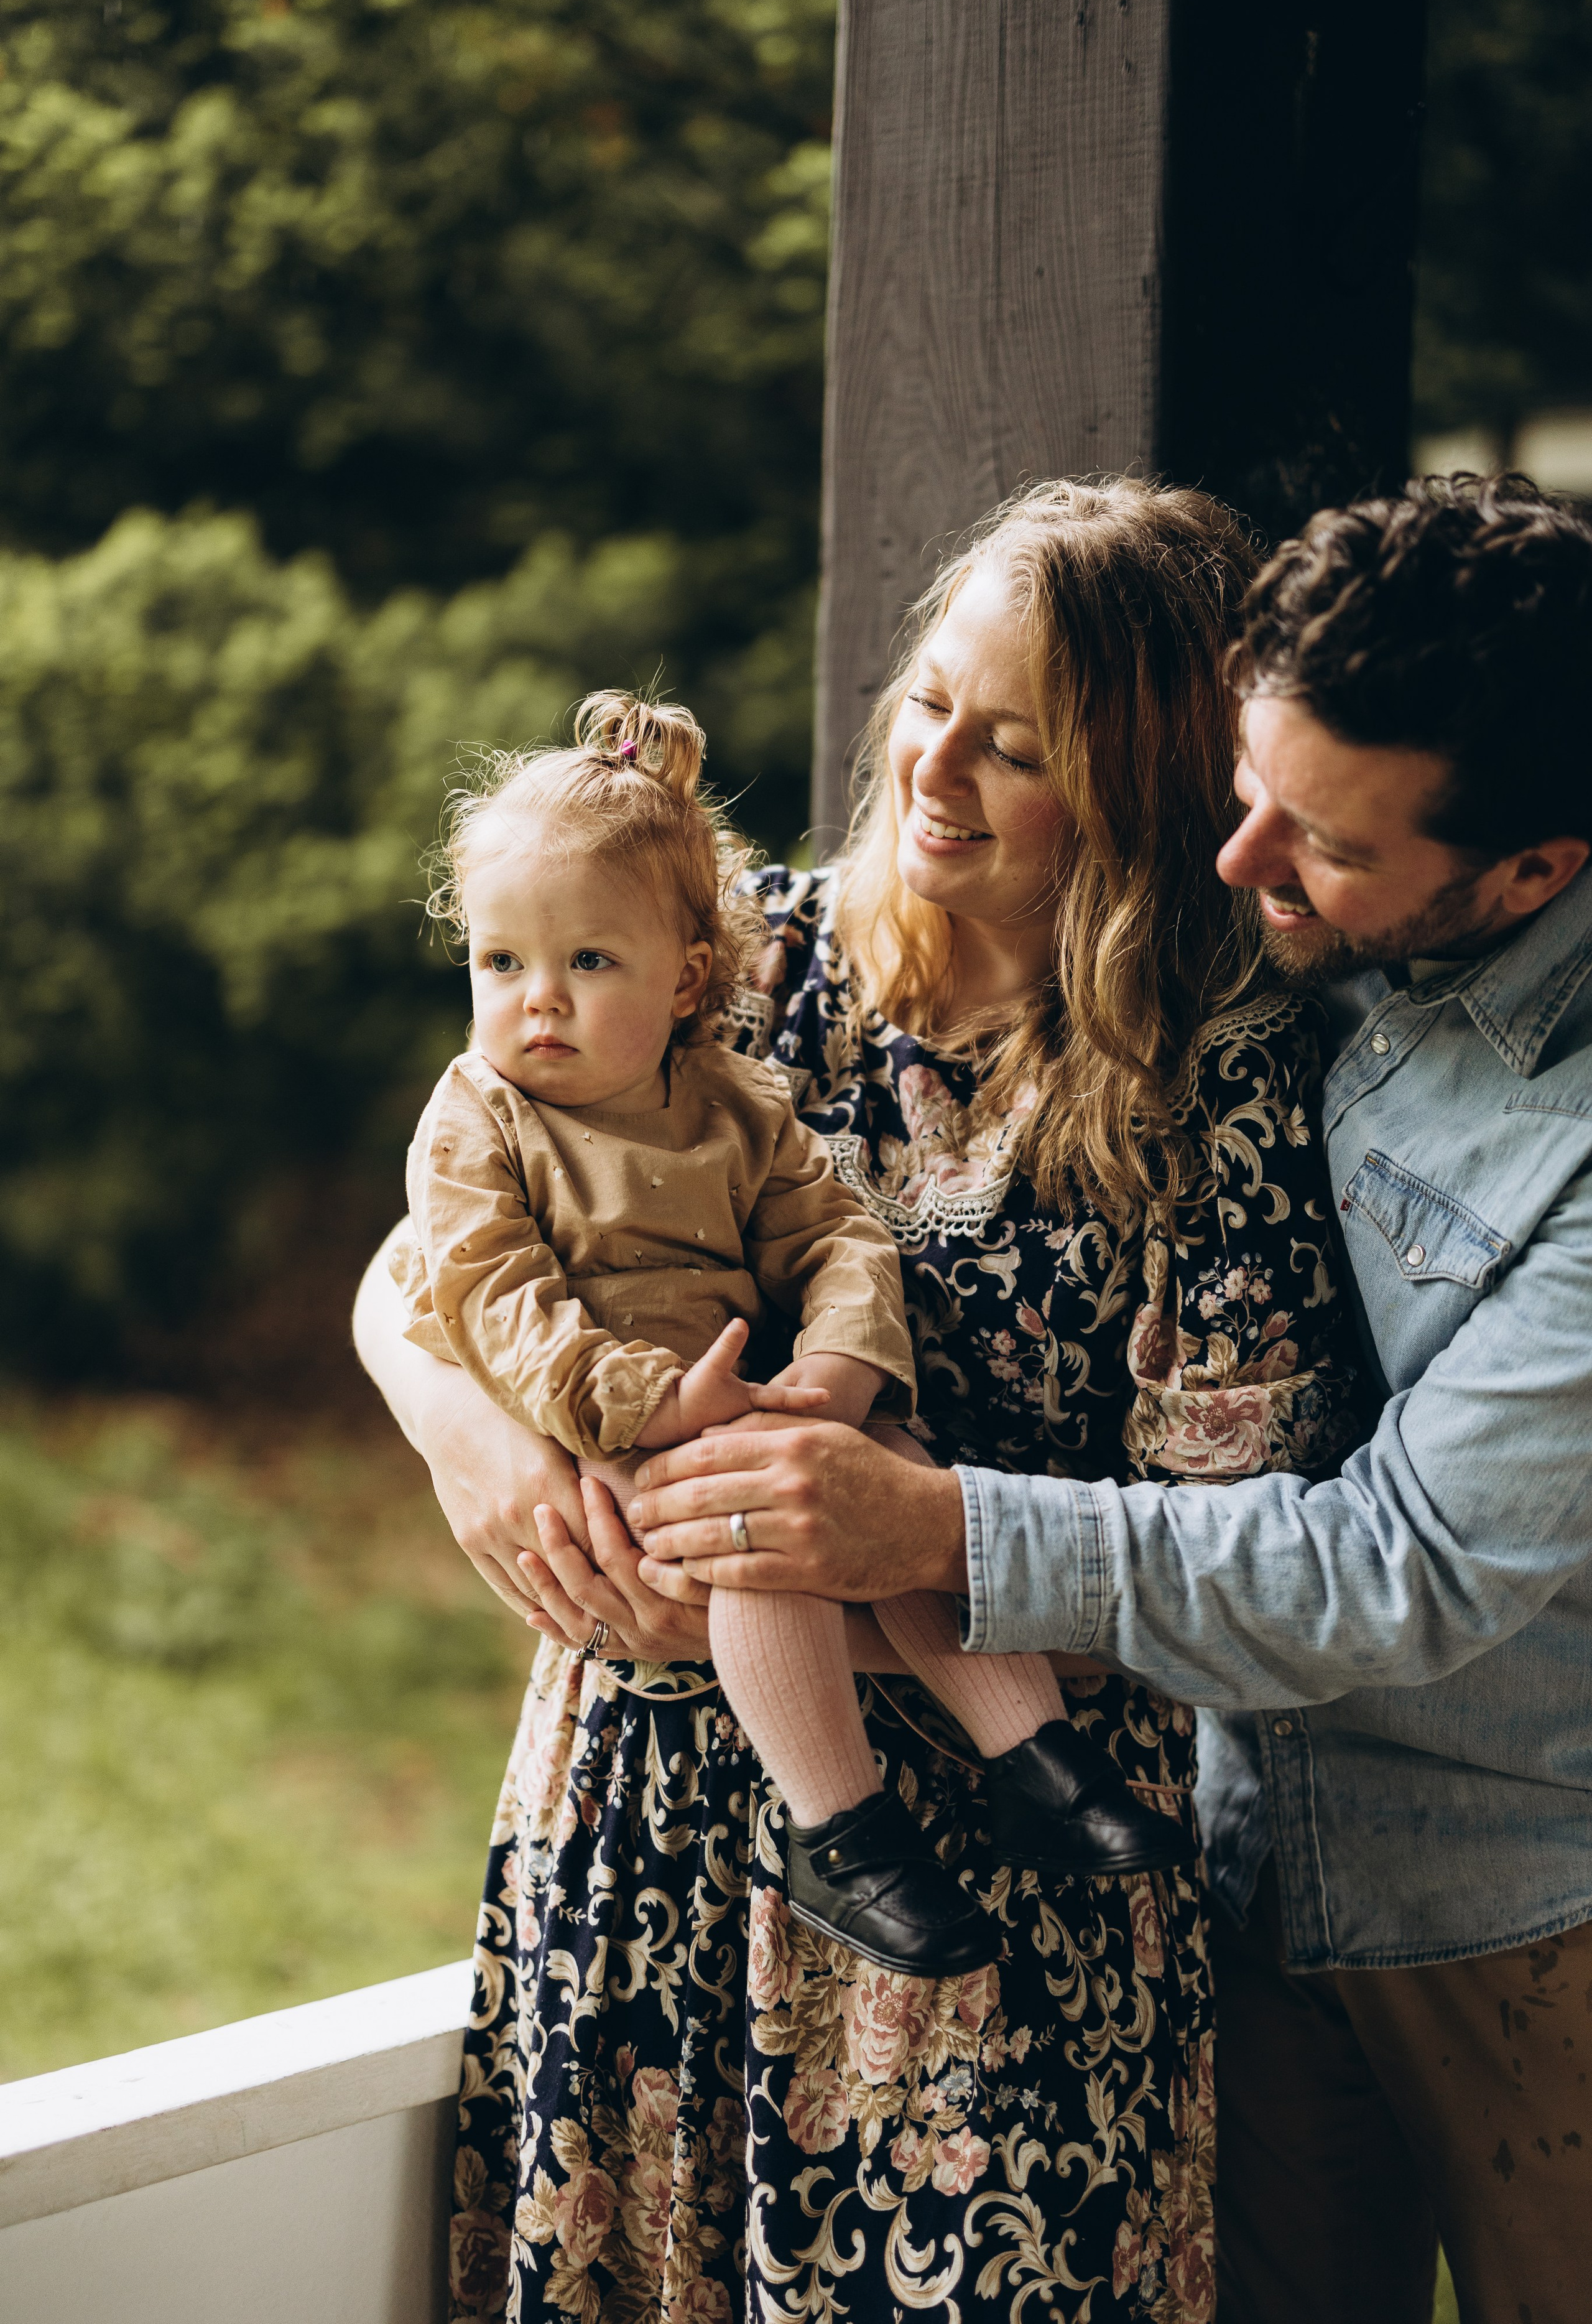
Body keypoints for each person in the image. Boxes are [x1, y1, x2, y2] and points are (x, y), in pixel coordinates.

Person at [354, 478, 1363, 2324]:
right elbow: (436, 1237)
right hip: (644, 1831)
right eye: (929, 705)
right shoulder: (744, 963)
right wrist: (481, 1448)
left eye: (1017, 748)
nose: (936, 771)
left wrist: (893, 1542)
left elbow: (1251, 1565)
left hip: (1001, 1909)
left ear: (1137, 785)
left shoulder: (1220, 1088)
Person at [629, 475, 1592, 2324]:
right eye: (1244, 786)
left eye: (1316, 838)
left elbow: (1402, 1574)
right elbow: (496, 1177)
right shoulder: (1278, 940)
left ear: (1533, 872)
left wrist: (927, 1526)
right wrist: (456, 1411)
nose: (1240, 863)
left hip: (1507, 1894)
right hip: (1226, 1864)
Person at [397, 687, 1191, 1982]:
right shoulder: (477, 1118)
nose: (536, 1002)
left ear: (685, 980)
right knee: (770, 1543)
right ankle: (843, 1827)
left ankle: (1032, 1757)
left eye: (587, 964)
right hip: (611, 1431)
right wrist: (643, 1403)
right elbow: (490, 1296)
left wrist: (836, 1366)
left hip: (755, 1399)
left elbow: (836, 1234)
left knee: (896, 1481)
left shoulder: (732, 1098)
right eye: (501, 964)